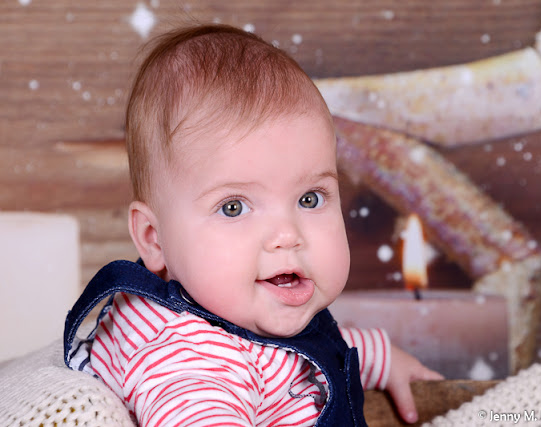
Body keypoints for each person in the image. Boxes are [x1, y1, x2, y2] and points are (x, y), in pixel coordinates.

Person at [63, 24, 442, 426]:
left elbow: (311, 351)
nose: (287, 235)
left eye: (309, 199)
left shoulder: (236, 311)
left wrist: (383, 361)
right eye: (233, 207)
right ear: (154, 240)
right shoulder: (188, 364)